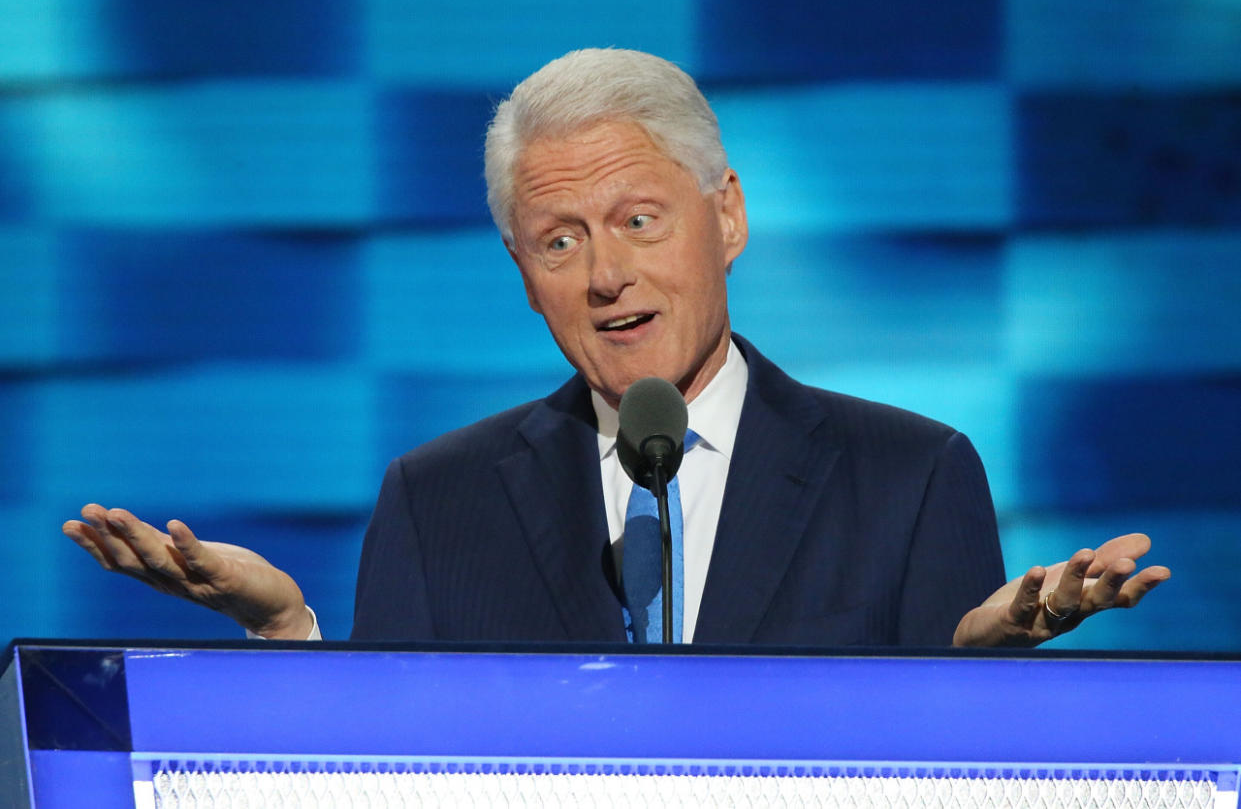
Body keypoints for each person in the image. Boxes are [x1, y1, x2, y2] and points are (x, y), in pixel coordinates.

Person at [62, 49, 1169, 648]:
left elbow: (948, 766)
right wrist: (290, 637)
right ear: (521, 272)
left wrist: (974, 667)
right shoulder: (435, 499)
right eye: (558, 239)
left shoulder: (911, 475)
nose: (604, 273)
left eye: (639, 219)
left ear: (725, 217)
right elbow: (383, 773)